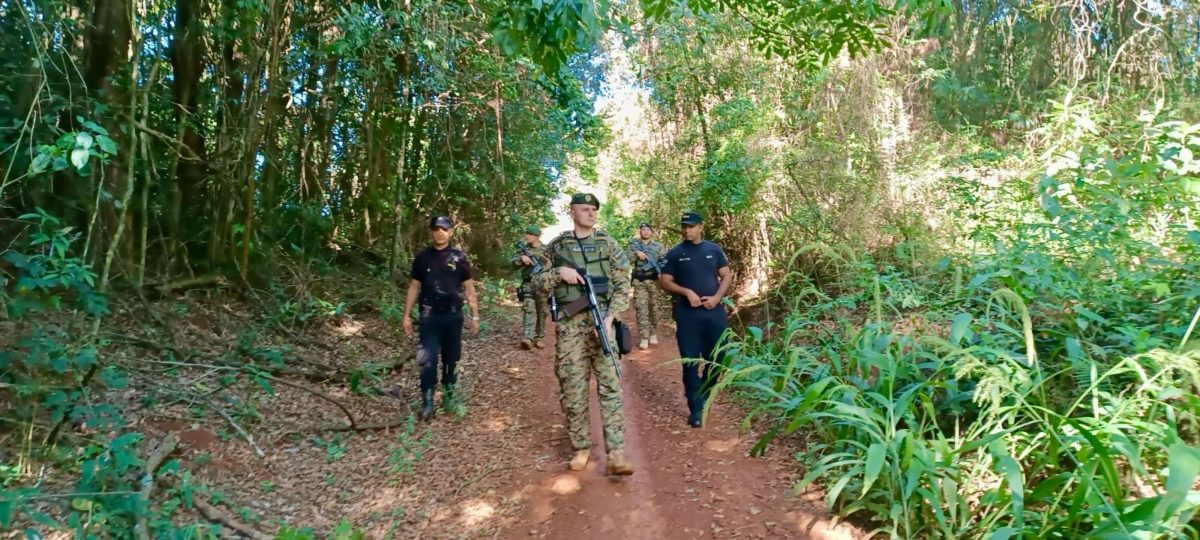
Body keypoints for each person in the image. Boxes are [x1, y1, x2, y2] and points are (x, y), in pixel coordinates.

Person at [535, 193, 634, 475]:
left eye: (594, 209)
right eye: (585, 209)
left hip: (603, 324)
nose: (591, 213)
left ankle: (616, 452)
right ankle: (580, 448)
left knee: (610, 388)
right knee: (573, 388)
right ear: (572, 212)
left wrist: (610, 318)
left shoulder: (608, 244)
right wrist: (559, 273)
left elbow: (621, 284)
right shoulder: (557, 247)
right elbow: (537, 283)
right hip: (570, 328)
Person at [401, 216, 480, 421]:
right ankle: (427, 402)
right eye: (436, 228)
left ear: (450, 232)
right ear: (431, 232)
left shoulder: (459, 257)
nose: (440, 232)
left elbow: (469, 287)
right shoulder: (422, 258)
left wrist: (475, 316)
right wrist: (406, 316)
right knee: (427, 360)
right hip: (429, 317)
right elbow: (414, 286)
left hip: (453, 316)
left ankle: (448, 396)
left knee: (451, 359)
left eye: (444, 229)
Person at [659, 211, 732, 428]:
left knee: (717, 360)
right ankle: (696, 409)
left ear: (701, 227)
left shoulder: (714, 250)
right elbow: (664, 281)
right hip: (687, 316)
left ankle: (705, 393)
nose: (686, 230)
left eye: (690, 226)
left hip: (714, 313)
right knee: (690, 363)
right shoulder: (675, 253)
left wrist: (717, 297)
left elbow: (726, 275)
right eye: (683, 226)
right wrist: (686, 292)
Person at [627, 222, 666, 349]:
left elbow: (664, 260)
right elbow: (626, 259)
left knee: (655, 309)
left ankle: (653, 332)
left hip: (655, 282)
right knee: (641, 309)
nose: (645, 232)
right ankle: (644, 337)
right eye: (643, 229)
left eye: (648, 230)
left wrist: (661, 272)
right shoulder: (633, 245)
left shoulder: (658, 246)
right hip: (640, 282)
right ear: (640, 232)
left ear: (652, 232)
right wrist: (636, 254)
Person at [513, 225, 549, 350]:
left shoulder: (546, 250)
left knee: (542, 311)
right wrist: (521, 259)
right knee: (528, 307)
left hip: (543, 285)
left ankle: (539, 337)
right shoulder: (523, 250)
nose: (527, 236)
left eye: (530, 234)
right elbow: (512, 264)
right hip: (528, 283)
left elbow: (554, 266)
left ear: (537, 236)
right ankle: (528, 337)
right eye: (526, 234)